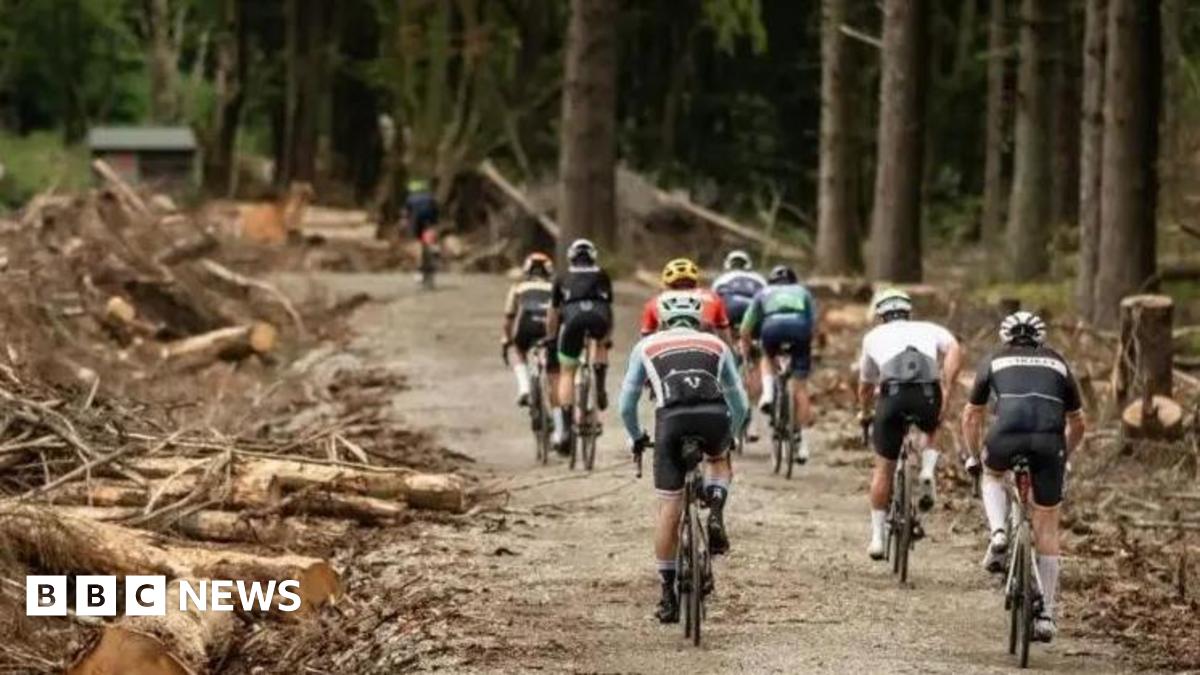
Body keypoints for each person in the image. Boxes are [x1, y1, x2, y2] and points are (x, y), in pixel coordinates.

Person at [620, 292, 748, 623]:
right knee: (718, 459)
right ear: (699, 320)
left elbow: (626, 405)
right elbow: (740, 402)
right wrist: (732, 433)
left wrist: (637, 437)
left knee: (669, 509)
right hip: (712, 416)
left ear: (663, 321)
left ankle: (667, 596)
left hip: (671, 421)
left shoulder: (646, 346)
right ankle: (715, 508)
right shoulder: (716, 344)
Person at [962, 311, 1085, 643]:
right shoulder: (1058, 362)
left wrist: (973, 455)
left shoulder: (994, 359)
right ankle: (1046, 614)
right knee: (1047, 524)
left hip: (1006, 436)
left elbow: (972, 415)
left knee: (991, 475)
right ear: (1040, 338)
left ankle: (999, 533)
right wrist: (1065, 456)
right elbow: (1078, 423)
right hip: (1049, 442)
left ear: (1005, 337)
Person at [856, 288, 963, 561]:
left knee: (883, 469)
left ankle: (877, 539)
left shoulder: (872, 336)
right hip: (927, 393)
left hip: (892, 397)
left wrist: (865, 412)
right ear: (908, 312)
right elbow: (954, 348)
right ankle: (927, 470)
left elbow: (866, 386)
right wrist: (948, 385)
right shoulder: (930, 328)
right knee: (933, 426)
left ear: (880, 315)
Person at [739, 265, 816, 462]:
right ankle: (803, 444)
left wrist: (746, 348)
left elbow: (746, 327)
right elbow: (812, 323)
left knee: (766, 356)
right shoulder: (803, 292)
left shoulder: (764, 292)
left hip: (772, 328)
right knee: (800, 388)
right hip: (799, 329)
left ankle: (768, 394)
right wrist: (807, 345)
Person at [546, 239, 614, 453]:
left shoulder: (561, 276)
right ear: (593, 256)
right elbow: (608, 307)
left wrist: (551, 337)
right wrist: (607, 338)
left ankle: (567, 428)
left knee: (567, 372)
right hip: (599, 316)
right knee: (601, 344)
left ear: (571, 257)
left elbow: (553, 313)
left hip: (573, 319)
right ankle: (600, 385)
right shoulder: (602, 274)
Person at [713, 250, 768, 434]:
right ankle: (753, 415)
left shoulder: (721, 279)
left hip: (730, 310)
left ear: (727, 265)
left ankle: (728, 373)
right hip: (754, 313)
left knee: (725, 351)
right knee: (759, 360)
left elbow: (712, 306)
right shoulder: (759, 279)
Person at [501, 253, 556, 408]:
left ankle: (524, 388)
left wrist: (506, 338)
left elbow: (509, 317)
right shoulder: (555, 288)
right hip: (548, 326)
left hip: (527, 325)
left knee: (519, 350)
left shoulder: (518, 287)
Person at [639, 258, 733, 344]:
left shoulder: (654, 301)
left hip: (668, 349)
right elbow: (724, 335)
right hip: (704, 348)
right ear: (696, 282)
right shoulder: (712, 297)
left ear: (666, 284)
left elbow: (645, 339)